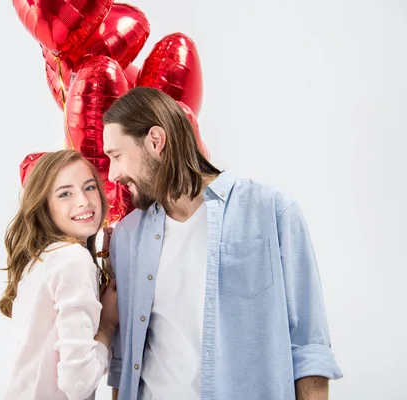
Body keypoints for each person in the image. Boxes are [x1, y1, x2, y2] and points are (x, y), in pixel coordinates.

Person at [101, 87, 342, 400]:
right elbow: (123, 361)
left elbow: (309, 343)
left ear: (155, 142)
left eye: (116, 156)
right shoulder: (127, 236)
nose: (112, 174)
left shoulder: (271, 211)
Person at [0, 149, 119, 400]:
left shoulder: (43, 258)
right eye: (65, 194)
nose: (83, 201)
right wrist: (106, 326)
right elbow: (78, 383)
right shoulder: (73, 259)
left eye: (89, 187)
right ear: (44, 207)